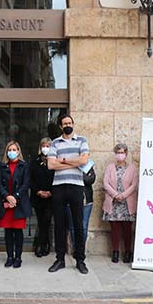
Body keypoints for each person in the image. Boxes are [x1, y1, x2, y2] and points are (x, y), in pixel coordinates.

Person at [47, 113, 90, 275]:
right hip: (58, 187)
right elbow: (51, 165)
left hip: (76, 187)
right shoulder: (55, 143)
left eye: (70, 123)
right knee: (59, 224)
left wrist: (63, 161)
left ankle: (80, 260)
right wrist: (74, 162)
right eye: (65, 123)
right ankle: (60, 259)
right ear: (60, 126)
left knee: (78, 225)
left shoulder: (82, 140)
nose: (68, 125)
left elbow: (84, 161)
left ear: (73, 124)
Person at [0, 141, 31, 268]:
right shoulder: (2, 166)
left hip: (19, 203)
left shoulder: (24, 166)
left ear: (18, 151)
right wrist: (7, 196)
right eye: (9, 150)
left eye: (14, 149)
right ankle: (10, 257)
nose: (12, 152)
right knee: (8, 232)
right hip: (6, 203)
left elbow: (26, 184)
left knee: (18, 232)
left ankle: (18, 258)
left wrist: (15, 197)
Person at [103, 143, 138, 264]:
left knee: (127, 229)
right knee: (115, 228)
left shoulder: (132, 168)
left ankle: (128, 252)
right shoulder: (110, 167)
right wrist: (115, 195)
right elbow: (106, 183)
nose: (120, 155)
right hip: (113, 202)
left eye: (122, 152)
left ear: (126, 154)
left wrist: (123, 195)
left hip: (127, 203)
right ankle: (115, 251)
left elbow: (134, 185)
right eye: (118, 153)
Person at [30, 138, 54, 258]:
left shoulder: (55, 161)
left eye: (48, 146)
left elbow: (58, 177)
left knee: (47, 220)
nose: (45, 148)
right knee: (41, 221)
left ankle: (40, 244)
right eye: (44, 146)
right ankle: (45, 243)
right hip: (38, 197)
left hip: (51, 197)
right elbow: (30, 179)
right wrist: (38, 191)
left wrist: (51, 192)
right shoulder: (35, 161)